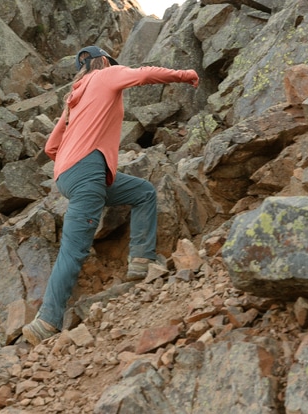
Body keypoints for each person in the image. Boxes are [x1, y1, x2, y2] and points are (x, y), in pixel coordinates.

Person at [22, 46, 199, 346]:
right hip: (88, 172)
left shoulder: (73, 98)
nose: (117, 68)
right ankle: (47, 321)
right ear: (103, 61)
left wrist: (74, 155)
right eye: (113, 64)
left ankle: (141, 260)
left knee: (143, 192)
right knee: (73, 250)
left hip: (69, 175)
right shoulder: (105, 74)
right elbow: (143, 75)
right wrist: (185, 75)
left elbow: (52, 146)